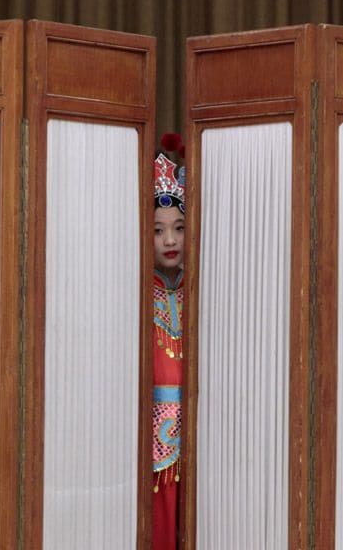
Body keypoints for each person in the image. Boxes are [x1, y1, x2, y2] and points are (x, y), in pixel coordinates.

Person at [152, 133, 185, 550]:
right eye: (159, 230)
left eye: (179, 227)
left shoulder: (202, 294)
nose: (171, 239)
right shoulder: (139, 295)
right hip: (151, 446)